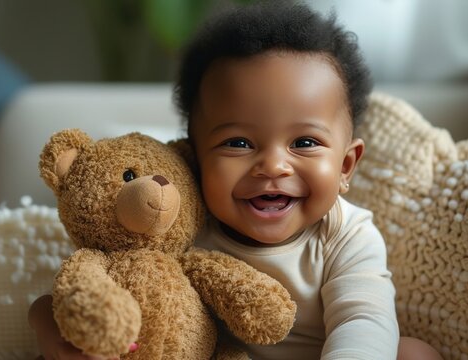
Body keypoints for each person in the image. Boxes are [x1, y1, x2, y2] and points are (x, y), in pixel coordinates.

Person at [29, 2, 443, 359]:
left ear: (346, 165)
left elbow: (365, 319)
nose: (273, 165)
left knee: (413, 353)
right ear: (193, 159)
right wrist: (50, 327)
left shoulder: (345, 235)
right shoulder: (179, 223)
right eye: (239, 142)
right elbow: (86, 281)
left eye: (304, 142)